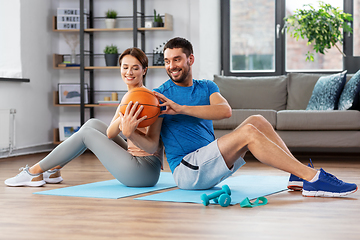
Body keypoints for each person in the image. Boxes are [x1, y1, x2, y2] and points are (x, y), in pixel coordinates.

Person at [123, 37, 357, 197]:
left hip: (209, 161)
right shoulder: (160, 96)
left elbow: (225, 111)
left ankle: (296, 175)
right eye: (166, 61)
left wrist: (181, 108)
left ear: (190, 60)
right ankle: (313, 178)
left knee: (257, 120)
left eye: (177, 59)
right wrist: (130, 132)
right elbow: (153, 143)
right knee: (248, 133)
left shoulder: (206, 86)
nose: (171, 66)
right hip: (188, 171)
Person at [5, 47, 163, 188]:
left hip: (144, 172)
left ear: (144, 70)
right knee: (92, 124)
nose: (129, 72)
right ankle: (54, 169)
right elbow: (110, 133)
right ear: (120, 68)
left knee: (87, 134)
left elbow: (151, 147)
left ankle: (33, 172)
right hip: (133, 159)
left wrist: (129, 130)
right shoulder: (128, 97)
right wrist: (123, 119)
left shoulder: (151, 100)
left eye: (135, 68)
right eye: (125, 67)